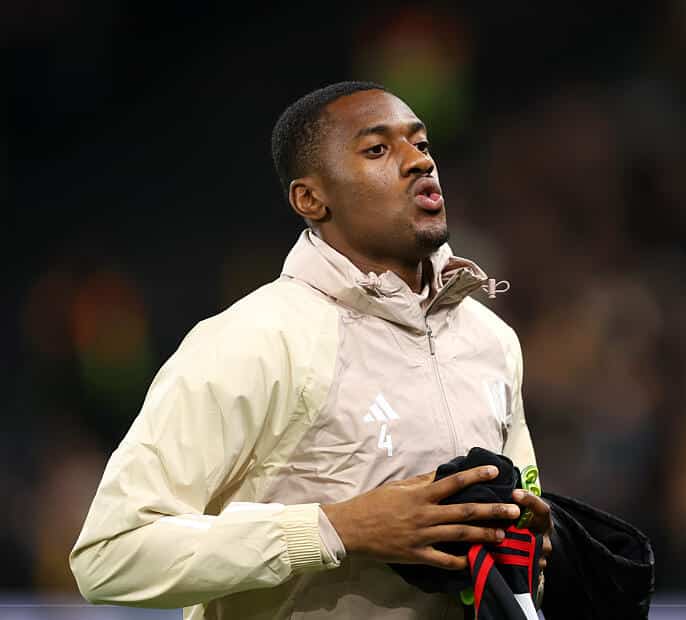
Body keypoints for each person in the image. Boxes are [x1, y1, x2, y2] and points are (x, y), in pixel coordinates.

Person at [70, 81, 552, 619]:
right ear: (310, 198)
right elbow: (110, 554)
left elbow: (523, 527)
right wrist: (338, 528)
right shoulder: (250, 341)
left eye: (421, 143)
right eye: (378, 149)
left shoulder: (490, 340)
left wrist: (535, 542)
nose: (418, 162)